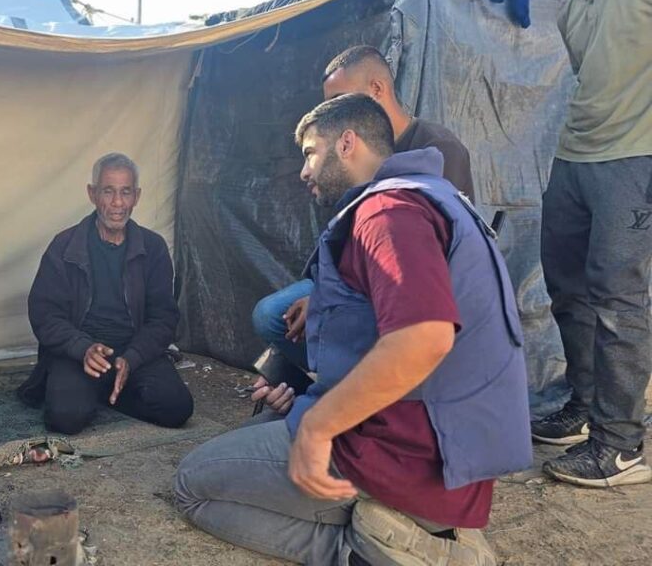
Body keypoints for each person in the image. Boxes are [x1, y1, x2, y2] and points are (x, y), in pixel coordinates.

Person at [174, 94, 532, 564]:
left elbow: (424, 337)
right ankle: (404, 530)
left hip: (400, 458)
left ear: (346, 143)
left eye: (309, 153)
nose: (304, 171)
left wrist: (318, 427)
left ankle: (373, 547)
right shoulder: (434, 196)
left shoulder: (388, 212)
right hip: (452, 459)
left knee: (191, 486)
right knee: (268, 422)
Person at [250, 45, 475, 399]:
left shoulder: (440, 150)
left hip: (408, 288)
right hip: (358, 279)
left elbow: (431, 264)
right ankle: (319, 386)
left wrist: (326, 300)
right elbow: (346, 242)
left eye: (340, 98)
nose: (330, 113)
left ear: (376, 90)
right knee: (271, 315)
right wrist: (325, 291)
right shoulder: (346, 156)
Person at [531, 0, 652, 487]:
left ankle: (621, 443)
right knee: (565, 284)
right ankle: (584, 405)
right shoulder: (574, 2)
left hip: (634, 155)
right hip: (575, 152)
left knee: (617, 298)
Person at [17, 153, 193, 435]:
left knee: (176, 409)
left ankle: (109, 389)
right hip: (79, 351)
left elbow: (164, 317)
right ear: (92, 194)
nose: (117, 203)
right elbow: (44, 314)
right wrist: (82, 347)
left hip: (133, 350)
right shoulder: (64, 246)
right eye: (108, 191)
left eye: (125, 192)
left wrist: (132, 358)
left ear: (136, 196)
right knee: (66, 418)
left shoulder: (153, 247)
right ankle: (95, 391)